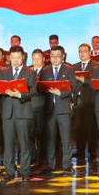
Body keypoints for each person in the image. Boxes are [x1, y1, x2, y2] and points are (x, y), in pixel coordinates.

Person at [0, 46, 36, 182]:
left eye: (18, 58)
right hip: (8, 112)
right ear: (9, 58)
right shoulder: (3, 72)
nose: (16, 60)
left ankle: (25, 171)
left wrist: (20, 95)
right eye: (13, 58)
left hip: (23, 111)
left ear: (23, 57)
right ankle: (9, 171)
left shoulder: (30, 72)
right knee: (8, 143)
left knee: (24, 143)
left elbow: (33, 91)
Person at [38, 45, 77, 175]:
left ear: (63, 56)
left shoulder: (69, 70)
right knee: (50, 138)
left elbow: (73, 87)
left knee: (66, 138)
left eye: (58, 56)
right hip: (49, 109)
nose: (55, 59)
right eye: (52, 56)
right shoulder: (45, 71)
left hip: (63, 108)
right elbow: (40, 88)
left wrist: (61, 93)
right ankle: (51, 164)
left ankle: (67, 165)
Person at [73, 44, 98, 161]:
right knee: (78, 126)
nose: (82, 53)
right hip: (77, 99)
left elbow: (96, 83)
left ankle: (92, 150)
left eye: (84, 51)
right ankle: (80, 150)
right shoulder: (74, 67)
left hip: (90, 100)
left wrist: (85, 80)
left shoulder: (96, 66)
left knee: (90, 125)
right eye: (80, 51)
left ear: (90, 52)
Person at [30, 49, 47, 166]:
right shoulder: (28, 71)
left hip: (42, 106)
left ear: (43, 59)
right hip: (29, 106)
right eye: (34, 59)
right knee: (29, 133)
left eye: (38, 59)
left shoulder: (47, 72)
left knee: (41, 134)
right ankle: (32, 156)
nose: (36, 61)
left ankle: (41, 157)